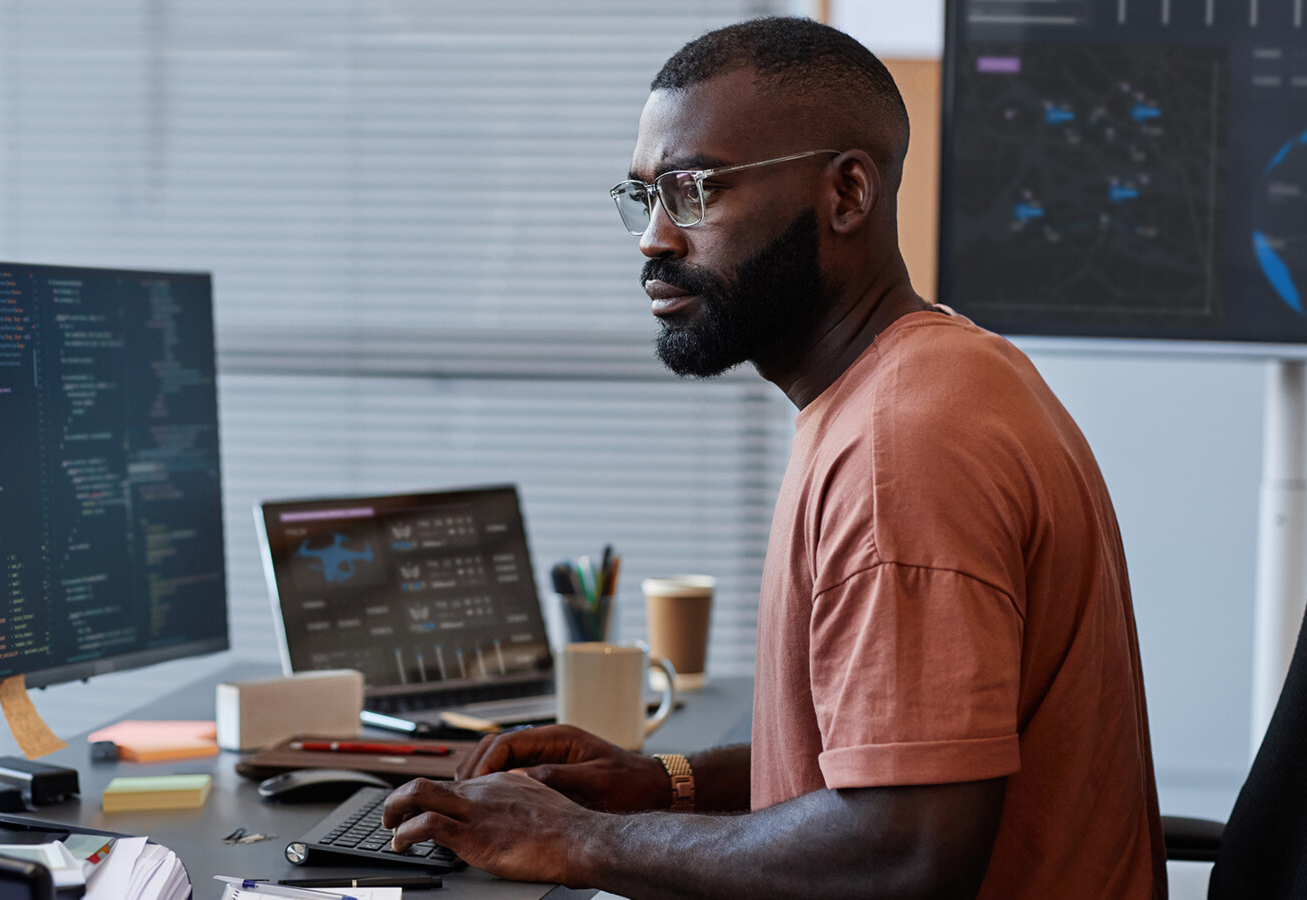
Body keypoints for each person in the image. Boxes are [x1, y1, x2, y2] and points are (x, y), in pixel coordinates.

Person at [382, 16, 1166, 899]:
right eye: (645, 196)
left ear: (847, 194)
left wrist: (579, 840)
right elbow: (878, 752)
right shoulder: (933, 376)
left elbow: (902, 851)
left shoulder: (903, 448)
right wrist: (656, 784)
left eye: (695, 190)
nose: (654, 239)